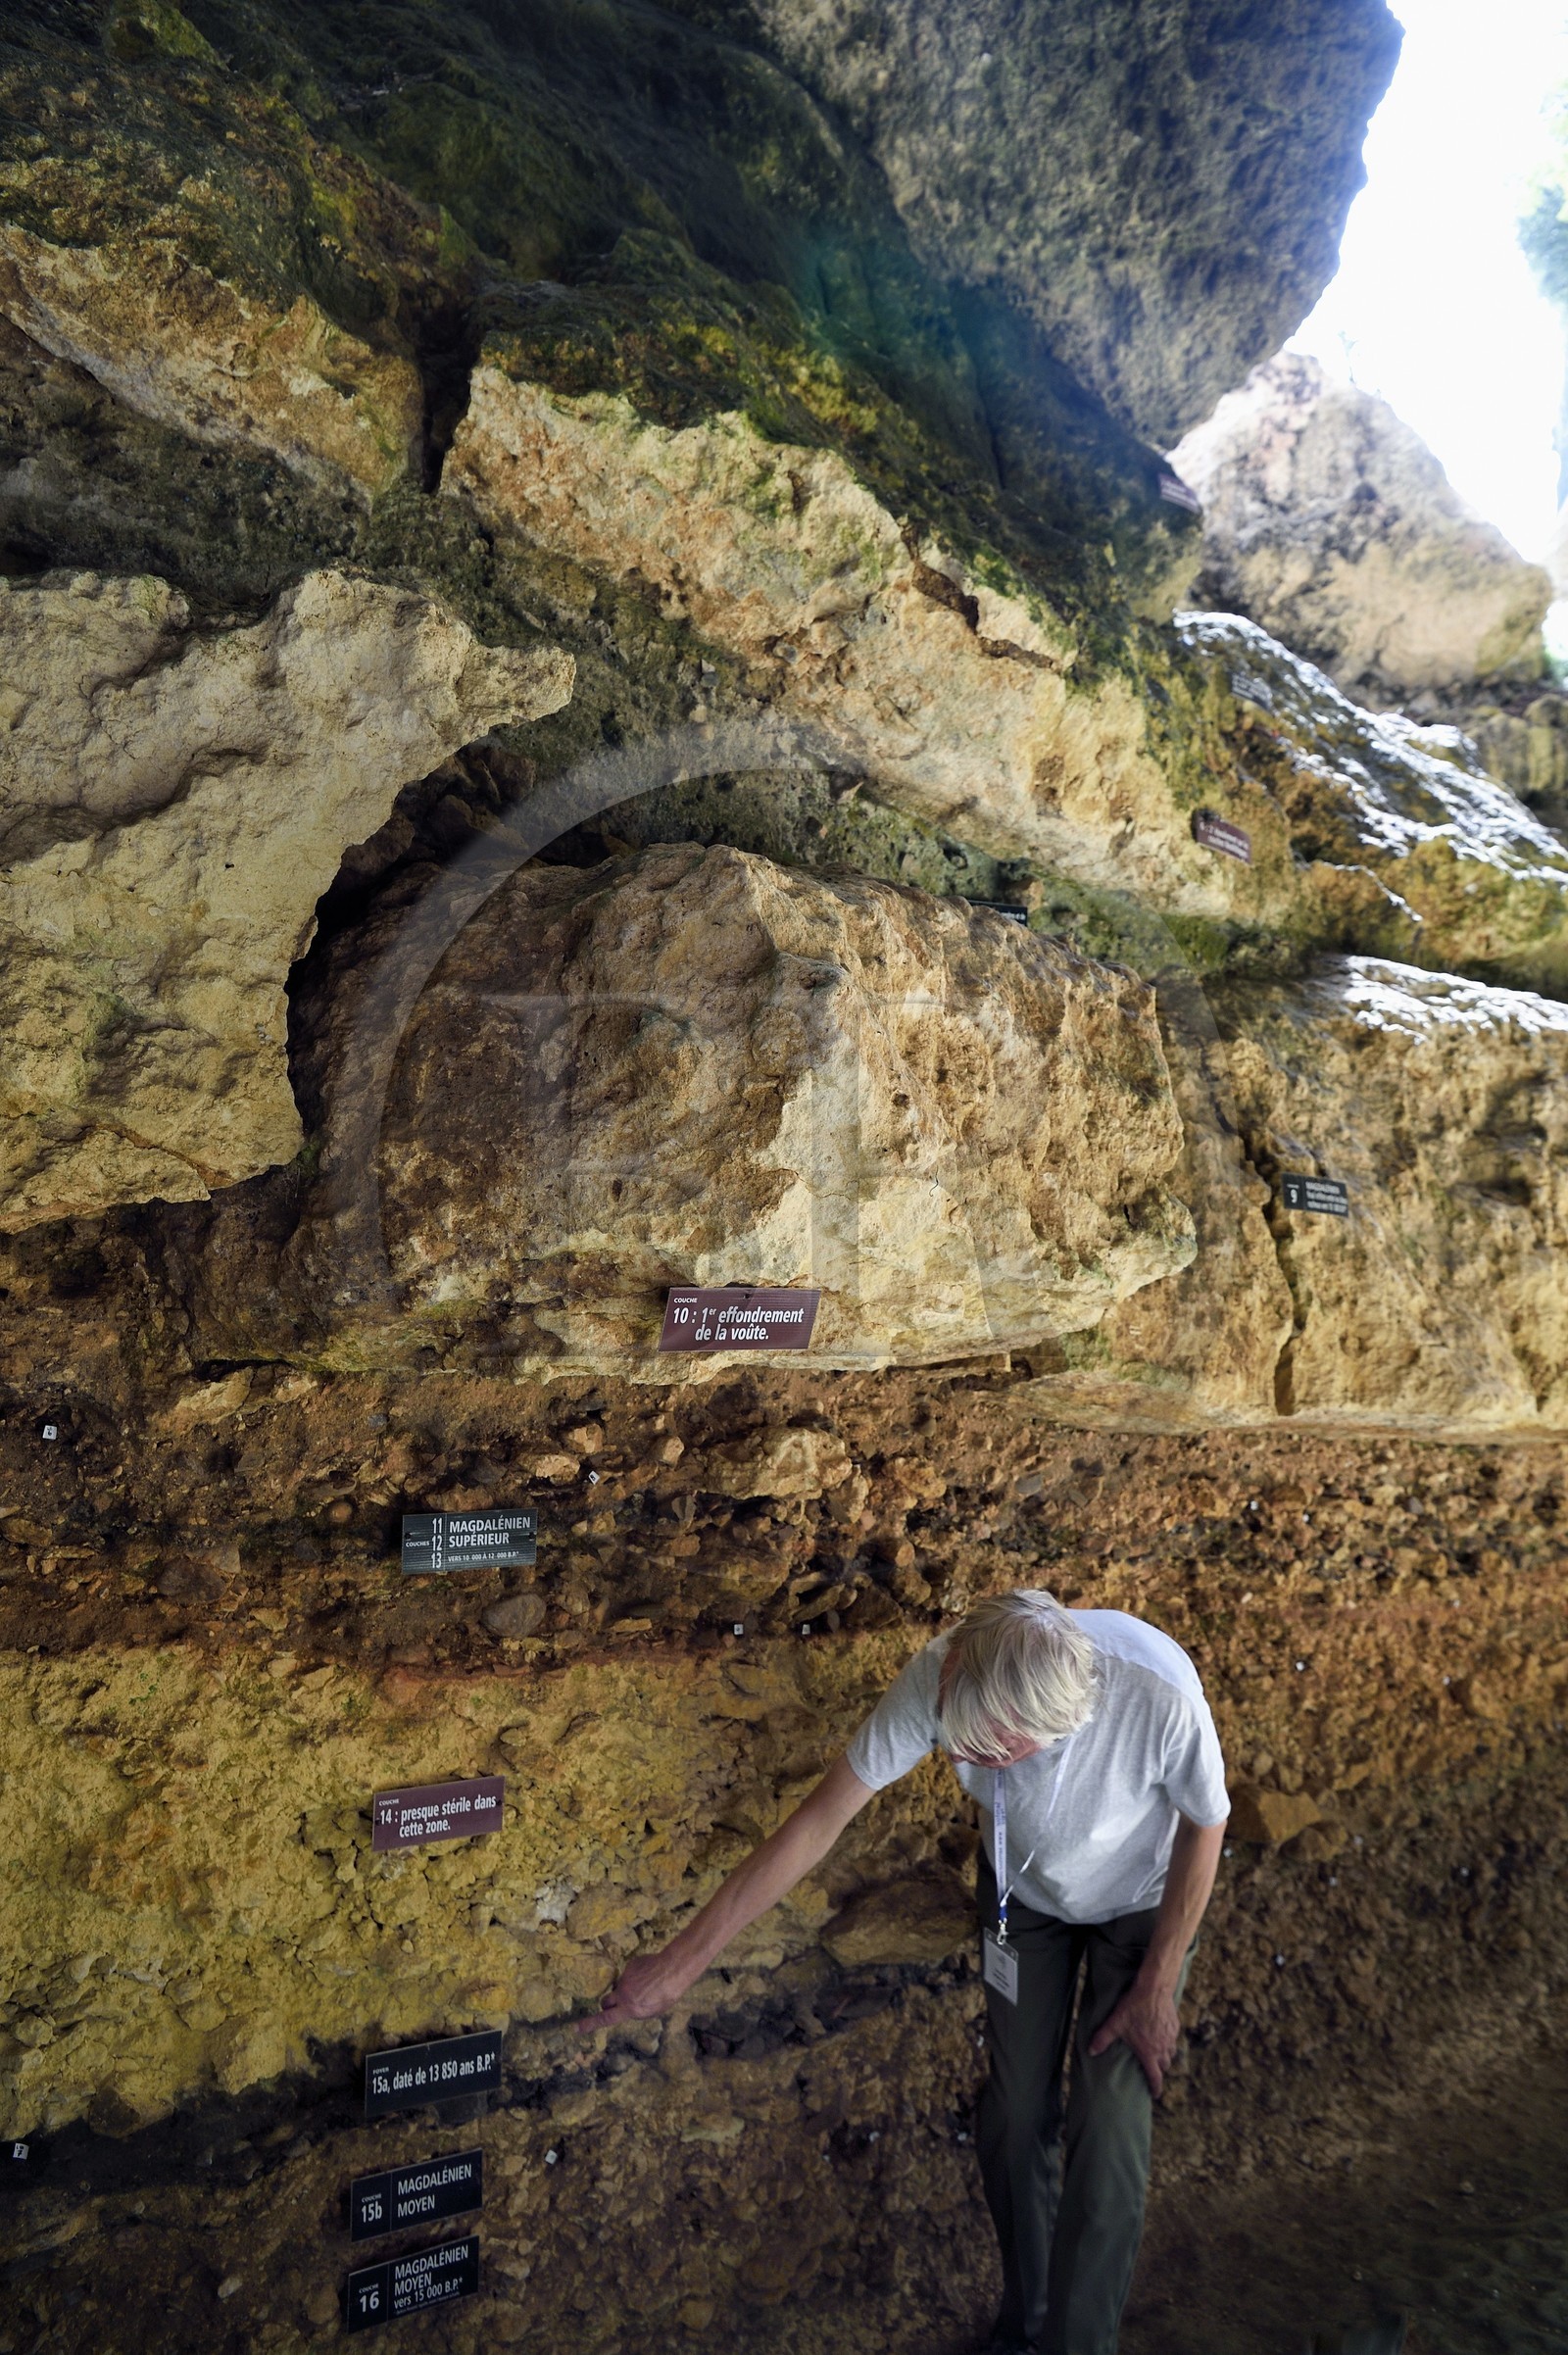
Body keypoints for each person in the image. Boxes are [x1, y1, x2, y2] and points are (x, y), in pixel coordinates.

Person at [593, 1588, 1230, 2355]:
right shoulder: (944, 1672)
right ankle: (1024, 2324)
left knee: (1109, 2126)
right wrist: (679, 1962)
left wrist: (1159, 1984)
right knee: (1017, 2108)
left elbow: (1207, 1819)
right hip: (1021, 1897)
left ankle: (1076, 2342)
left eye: (987, 1751)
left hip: (1142, 1906)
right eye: (954, 1738)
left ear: (1050, 1731)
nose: (959, 1758)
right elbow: (817, 1822)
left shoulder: (1156, 1692)